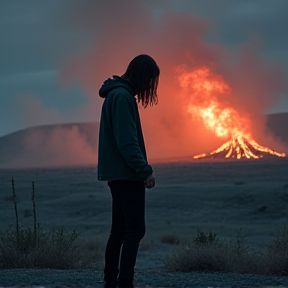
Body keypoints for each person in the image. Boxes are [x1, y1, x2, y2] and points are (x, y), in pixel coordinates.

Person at [97, 54, 160, 288]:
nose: (150, 87)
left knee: (119, 230)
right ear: (142, 76)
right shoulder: (122, 97)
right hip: (127, 175)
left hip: (117, 175)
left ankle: (111, 280)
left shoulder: (116, 94)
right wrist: (144, 171)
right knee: (135, 230)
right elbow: (127, 141)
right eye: (150, 80)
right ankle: (125, 282)